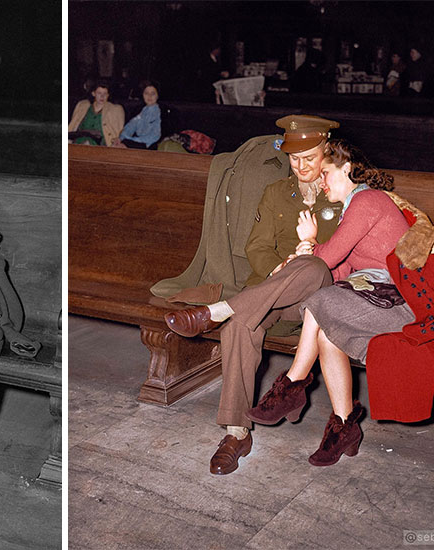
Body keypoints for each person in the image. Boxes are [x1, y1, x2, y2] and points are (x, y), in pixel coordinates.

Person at [164, 115, 343, 475]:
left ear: (327, 152)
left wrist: (306, 253)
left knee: (312, 268)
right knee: (240, 325)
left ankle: (217, 310)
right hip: (273, 292)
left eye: (310, 157)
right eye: (295, 158)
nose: (302, 166)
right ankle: (236, 432)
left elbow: (347, 256)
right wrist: (280, 267)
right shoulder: (276, 192)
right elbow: (256, 246)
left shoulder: (341, 192)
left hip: (319, 302)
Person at [245, 139, 414, 466]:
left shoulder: (367, 200)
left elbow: (332, 255)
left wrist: (309, 243)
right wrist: (305, 260)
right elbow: (341, 269)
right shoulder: (353, 207)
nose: (321, 183)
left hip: (399, 300)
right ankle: (344, 426)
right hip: (374, 296)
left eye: (326, 174)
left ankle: (292, 384)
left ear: (348, 169)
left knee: (322, 301)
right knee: (326, 332)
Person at [67, 81, 125, 146]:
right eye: (99, 93)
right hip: (80, 138)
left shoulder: (115, 109)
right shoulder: (83, 106)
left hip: (100, 142)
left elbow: (119, 130)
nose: (102, 96)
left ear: (108, 95)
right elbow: (73, 124)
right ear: (93, 93)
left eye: (105, 94)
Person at [114, 81, 161, 149]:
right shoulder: (142, 110)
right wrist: (121, 138)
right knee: (116, 145)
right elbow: (131, 125)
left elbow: (155, 136)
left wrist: (132, 141)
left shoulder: (161, 112)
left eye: (153, 93)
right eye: (146, 93)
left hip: (151, 145)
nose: (149, 96)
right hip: (138, 142)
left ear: (157, 96)